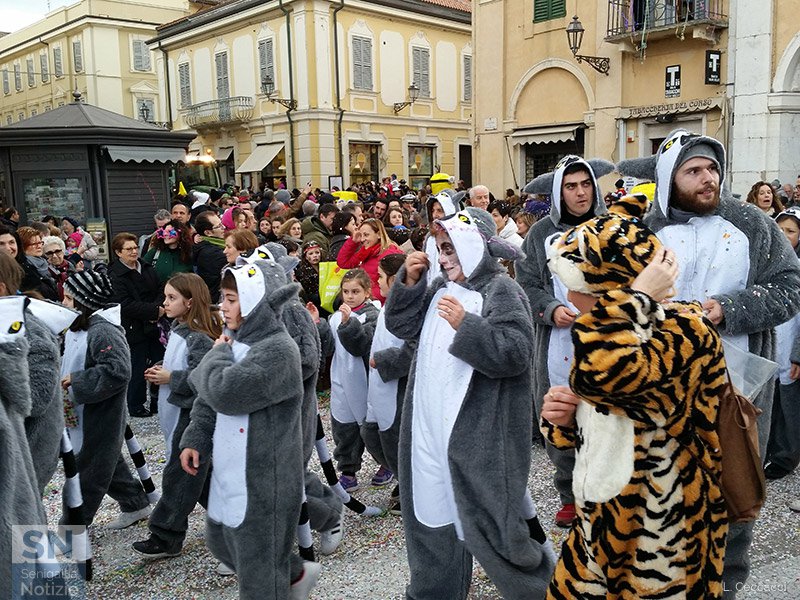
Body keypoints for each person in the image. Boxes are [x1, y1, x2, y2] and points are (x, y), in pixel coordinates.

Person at [618, 129, 800, 597]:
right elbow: (615, 303)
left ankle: (725, 587)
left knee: (732, 497)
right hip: (659, 391)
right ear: (667, 178)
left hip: (733, 393)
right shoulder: (643, 231)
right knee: (659, 496)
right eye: (693, 170)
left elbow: (789, 287)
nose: (707, 178)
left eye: (712, 168)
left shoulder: (753, 225)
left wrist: (727, 307)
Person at [542, 193, 728, 598]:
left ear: (614, 287)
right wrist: (562, 420)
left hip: (662, 533)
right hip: (597, 521)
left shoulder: (685, 331)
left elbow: (606, 379)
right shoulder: (609, 331)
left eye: (582, 293)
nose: (572, 302)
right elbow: (599, 417)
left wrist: (635, 295)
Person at [384, 207, 555, 599]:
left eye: (452, 249)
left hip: (479, 439)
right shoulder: (439, 288)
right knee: (429, 519)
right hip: (428, 429)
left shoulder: (501, 289)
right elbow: (402, 328)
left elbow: (516, 353)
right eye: (440, 249)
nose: (445, 259)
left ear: (474, 245)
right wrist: (409, 284)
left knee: (496, 528)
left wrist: (468, 326)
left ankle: (538, 591)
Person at [179, 259, 320, 599]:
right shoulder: (232, 340)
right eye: (222, 298)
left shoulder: (279, 350)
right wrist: (197, 435)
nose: (221, 307)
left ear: (255, 302)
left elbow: (223, 391)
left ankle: (280, 580)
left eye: (230, 299)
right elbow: (208, 395)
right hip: (232, 469)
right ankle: (294, 573)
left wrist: (213, 359)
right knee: (221, 539)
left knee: (258, 569)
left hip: (264, 478)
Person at [515, 155, 614, 528]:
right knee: (561, 417)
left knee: (607, 417)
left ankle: (606, 492)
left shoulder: (613, 227)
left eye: (585, 184)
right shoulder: (541, 235)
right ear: (559, 192)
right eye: (571, 186)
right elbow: (528, 284)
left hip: (609, 341)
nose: (580, 192)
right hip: (560, 344)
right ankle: (569, 494)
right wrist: (550, 308)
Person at [133, 273, 221, 558]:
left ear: (190, 301)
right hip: (177, 412)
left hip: (192, 415)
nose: (165, 302)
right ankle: (238, 522)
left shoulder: (199, 337)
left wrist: (172, 376)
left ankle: (165, 536)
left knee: (179, 475)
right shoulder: (178, 329)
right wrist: (163, 368)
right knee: (204, 481)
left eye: (172, 298)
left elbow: (204, 377)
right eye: (166, 296)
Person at [61, 270, 153, 527]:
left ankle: (72, 527)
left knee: (88, 470)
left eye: (69, 299)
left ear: (84, 302)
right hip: (82, 409)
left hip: (100, 412)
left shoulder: (103, 331)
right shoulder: (79, 327)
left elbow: (119, 371)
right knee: (105, 460)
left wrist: (77, 381)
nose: (63, 303)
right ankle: (135, 503)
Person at [312, 269, 387, 492]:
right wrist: (319, 325)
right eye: (346, 291)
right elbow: (329, 347)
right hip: (341, 380)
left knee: (371, 426)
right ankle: (348, 469)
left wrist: (348, 325)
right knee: (344, 427)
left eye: (355, 291)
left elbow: (360, 346)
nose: (350, 296)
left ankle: (386, 462)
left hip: (364, 380)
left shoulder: (373, 315)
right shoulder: (337, 316)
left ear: (367, 292)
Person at [367, 253, 414, 514]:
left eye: (381, 277)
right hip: (378, 387)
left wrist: (383, 361)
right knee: (371, 433)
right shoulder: (386, 305)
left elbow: (412, 350)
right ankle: (402, 478)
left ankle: (409, 485)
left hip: (395, 387)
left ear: (395, 279)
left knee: (394, 438)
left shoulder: (410, 310)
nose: (377, 280)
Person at [108, 232, 165, 418]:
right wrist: (152, 312)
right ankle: (136, 404)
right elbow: (123, 303)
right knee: (137, 366)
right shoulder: (115, 274)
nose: (134, 252)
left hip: (155, 322)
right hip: (133, 326)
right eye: (129, 249)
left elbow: (160, 289)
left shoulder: (146, 267)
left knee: (159, 360)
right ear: (118, 252)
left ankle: (158, 400)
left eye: (135, 248)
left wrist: (158, 310)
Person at [764, 207, 800, 482]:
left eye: (791, 231)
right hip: (772, 342)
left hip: (792, 345)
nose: (784, 236)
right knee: (769, 401)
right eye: (780, 229)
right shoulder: (766, 262)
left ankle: (786, 456)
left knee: (790, 406)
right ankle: (766, 449)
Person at [336, 218, 403, 304]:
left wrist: (364, 297)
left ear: (378, 234)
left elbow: (390, 286)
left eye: (366, 235)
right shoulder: (366, 252)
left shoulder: (389, 254)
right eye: (361, 235)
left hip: (379, 305)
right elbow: (343, 262)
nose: (362, 239)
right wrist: (353, 241)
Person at [142, 220, 194, 285]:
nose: (165, 234)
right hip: (158, 293)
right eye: (164, 231)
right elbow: (142, 268)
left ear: (180, 233)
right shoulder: (156, 251)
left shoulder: (188, 253)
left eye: (170, 231)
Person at [17, 226, 59, 301]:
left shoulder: (45, 262)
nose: (39, 246)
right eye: (33, 244)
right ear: (22, 246)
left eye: (40, 242)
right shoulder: (23, 270)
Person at [192, 211, 228, 301]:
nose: (224, 227)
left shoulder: (213, 246)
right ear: (208, 233)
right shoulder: (211, 253)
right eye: (219, 226)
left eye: (222, 224)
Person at [295, 241, 326, 316]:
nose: (315, 256)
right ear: (305, 256)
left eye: (317, 253)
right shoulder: (302, 272)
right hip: (314, 305)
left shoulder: (326, 267)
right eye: (311, 253)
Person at [43, 235, 75, 300]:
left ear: (63, 251)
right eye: (49, 253)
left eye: (57, 251)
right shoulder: (44, 274)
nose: (54, 256)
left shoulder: (72, 268)